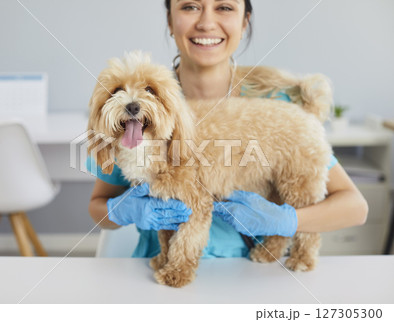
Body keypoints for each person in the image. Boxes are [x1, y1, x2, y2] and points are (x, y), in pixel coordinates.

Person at [88, 0, 368, 258]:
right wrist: (124, 211)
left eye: (224, 7)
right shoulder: (132, 108)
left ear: (245, 21)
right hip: (161, 269)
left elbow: (355, 207)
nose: (206, 23)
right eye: (190, 6)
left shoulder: (277, 108)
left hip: (253, 273)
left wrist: (286, 220)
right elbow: (98, 207)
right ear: (170, 21)